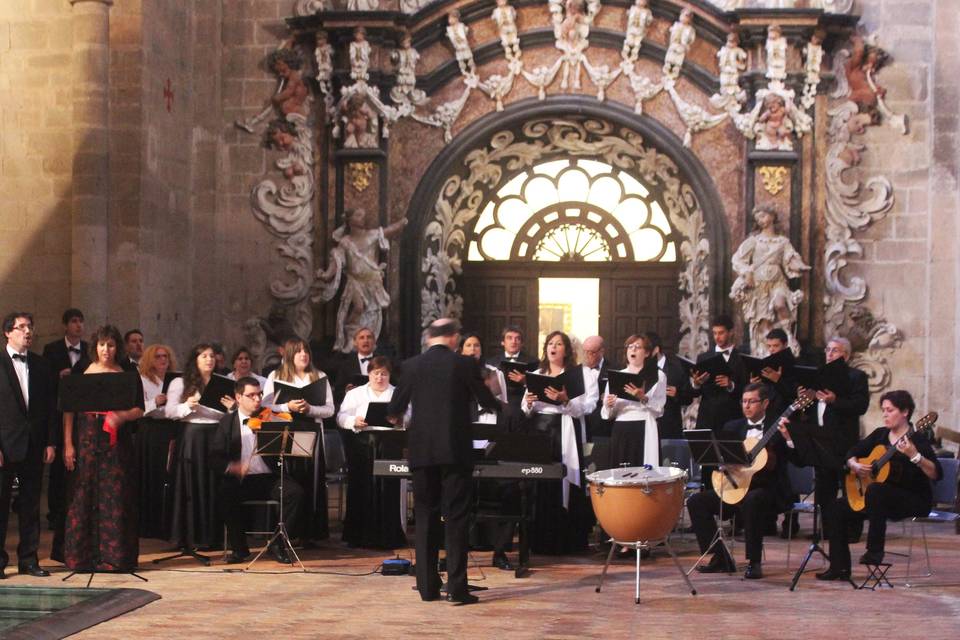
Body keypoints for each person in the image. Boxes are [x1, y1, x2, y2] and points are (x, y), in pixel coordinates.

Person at [387, 319, 498, 605]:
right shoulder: (463, 364)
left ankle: (427, 587)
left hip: (422, 452)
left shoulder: (411, 366)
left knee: (424, 516)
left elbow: (395, 409)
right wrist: (500, 404)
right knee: (457, 517)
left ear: (430, 338)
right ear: (453, 337)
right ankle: (457, 589)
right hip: (454, 452)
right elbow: (486, 399)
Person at [815, 390, 942, 581]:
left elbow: (936, 473)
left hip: (912, 499)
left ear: (905, 412)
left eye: (890, 410)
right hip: (879, 503)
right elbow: (852, 452)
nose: (885, 414)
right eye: (883, 410)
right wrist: (855, 464)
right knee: (836, 508)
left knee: (875, 490)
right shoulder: (880, 435)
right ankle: (839, 567)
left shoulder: (917, 439)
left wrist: (915, 456)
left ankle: (875, 551)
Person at [688, 383, 796, 579]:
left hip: (768, 490)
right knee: (696, 501)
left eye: (751, 401)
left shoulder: (778, 428)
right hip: (736, 486)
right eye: (744, 401)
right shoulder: (732, 427)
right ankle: (721, 558)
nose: (746, 406)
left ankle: (754, 562)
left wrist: (788, 438)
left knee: (753, 501)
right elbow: (719, 457)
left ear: (765, 403)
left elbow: (796, 458)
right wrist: (722, 464)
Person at [63, 325, 144, 572]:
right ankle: (82, 557)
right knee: (84, 492)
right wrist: (68, 444)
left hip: (116, 440)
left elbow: (139, 408)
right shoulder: (81, 369)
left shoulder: (128, 370)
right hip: (86, 438)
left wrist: (120, 417)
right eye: (101, 345)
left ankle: (114, 557)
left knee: (115, 493)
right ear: (94, 347)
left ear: (117, 347)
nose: (106, 350)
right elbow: (68, 408)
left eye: (110, 345)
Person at [210, 377, 304, 564]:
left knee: (296, 493)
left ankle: (277, 544)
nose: (257, 399)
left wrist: (279, 435)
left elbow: (289, 448)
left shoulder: (270, 417)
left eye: (259, 394)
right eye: (251, 395)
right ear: (238, 397)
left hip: (268, 478)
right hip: (241, 479)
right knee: (225, 493)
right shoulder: (226, 423)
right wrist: (233, 467)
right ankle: (240, 549)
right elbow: (214, 457)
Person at [521, 330, 596, 555]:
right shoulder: (537, 373)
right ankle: (542, 540)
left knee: (567, 479)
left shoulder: (579, 374)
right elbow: (525, 409)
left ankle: (570, 540)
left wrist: (565, 401)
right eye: (550, 343)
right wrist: (529, 402)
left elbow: (589, 405)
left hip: (566, 428)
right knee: (541, 482)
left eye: (559, 344)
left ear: (567, 350)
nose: (553, 347)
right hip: (541, 431)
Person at [0, 312, 57, 578]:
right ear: (7, 333)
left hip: (34, 444)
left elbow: (49, 408)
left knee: (31, 505)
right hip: (5, 445)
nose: (27, 331)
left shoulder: (42, 365)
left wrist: (49, 442)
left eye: (30, 327)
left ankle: (29, 559)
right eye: (21, 327)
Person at [264, 338, 334, 541]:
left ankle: (310, 533)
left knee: (312, 479)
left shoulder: (319, 376)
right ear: (289, 355)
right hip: (286, 430)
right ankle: (289, 531)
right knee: (292, 477)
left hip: (311, 429)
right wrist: (288, 407)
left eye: (306, 351)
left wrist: (310, 408)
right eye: (298, 351)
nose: (303, 355)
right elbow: (267, 406)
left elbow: (330, 409)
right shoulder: (276, 375)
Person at [800, 337, 869, 538]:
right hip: (821, 439)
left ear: (845, 355)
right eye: (828, 349)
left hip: (843, 440)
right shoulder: (817, 376)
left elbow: (860, 405)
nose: (830, 354)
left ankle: (852, 530)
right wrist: (805, 398)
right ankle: (827, 529)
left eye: (835, 350)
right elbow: (811, 409)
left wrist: (835, 400)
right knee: (824, 488)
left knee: (849, 486)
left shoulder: (856, 376)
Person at [336, 356, 407, 549]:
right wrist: (353, 421)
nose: (380, 378)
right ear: (369, 374)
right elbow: (341, 416)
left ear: (389, 375)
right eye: (376, 373)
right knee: (362, 487)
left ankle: (388, 535)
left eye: (384, 374)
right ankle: (359, 535)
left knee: (387, 489)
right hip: (362, 445)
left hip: (389, 444)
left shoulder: (397, 393)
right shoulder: (356, 394)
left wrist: (400, 420)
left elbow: (410, 416)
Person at [42, 307, 89, 558]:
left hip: (81, 414)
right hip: (58, 411)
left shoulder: (89, 350)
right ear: (65, 325)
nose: (78, 326)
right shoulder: (52, 349)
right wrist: (58, 376)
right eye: (74, 321)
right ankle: (54, 513)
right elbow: (43, 379)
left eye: (81, 321)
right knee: (58, 468)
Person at [601, 334, 666, 468]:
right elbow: (608, 413)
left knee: (644, 471)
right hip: (621, 427)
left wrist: (643, 397)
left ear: (647, 353)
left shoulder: (658, 375)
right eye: (630, 347)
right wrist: (608, 405)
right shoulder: (617, 376)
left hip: (645, 424)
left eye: (637, 347)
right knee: (621, 469)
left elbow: (660, 409)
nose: (633, 350)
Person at [691, 315, 746, 433]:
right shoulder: (703, 357)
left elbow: (747, 389)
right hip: (706, 417)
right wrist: (696, 384)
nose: (717, 337)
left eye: (721, 333)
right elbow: (694, 393)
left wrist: (731, 385)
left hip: (731, 417)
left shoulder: (742, 358)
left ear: (731, 332)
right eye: (714, 333)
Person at [646, 331, 693, 440]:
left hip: (669, 427)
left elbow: (688, 398)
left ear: (656, 350)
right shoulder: (640, 368)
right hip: (646, 425)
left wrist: (677, 394)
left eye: (646, 350)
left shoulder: (676, 368)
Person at [485, 325, 536, 409]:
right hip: (498, 405)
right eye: (509, 338)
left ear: (522, 343)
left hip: (522, 406)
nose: (514, 342)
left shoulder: (533, 362)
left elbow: (538, 388)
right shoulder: (491, 362)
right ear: (503, 342)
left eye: (517, 338)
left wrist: (526, 381)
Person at [333, 326, 378, 404]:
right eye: (361, 338)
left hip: (377, 403)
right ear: (355, 342)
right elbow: (337, 392)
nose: (366, 340)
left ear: (374, 341)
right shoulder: (346, 365)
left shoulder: (383, 362)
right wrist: (347, 391)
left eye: (369, 337)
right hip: (354, 406)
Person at [581, 335, 613, 441]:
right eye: (584, 351)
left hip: (602, 425)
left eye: (591, 352)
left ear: (601, 351)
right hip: (581, 421)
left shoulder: (614, 369)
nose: (586, 355)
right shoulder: (576, 369)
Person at [460, 332, 508, 403]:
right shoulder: (455, 372)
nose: (473, 349)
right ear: (461, 350)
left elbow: (503, 402)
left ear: (481, 350)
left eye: (476, 345)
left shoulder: (494, 373)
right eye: (468, 345)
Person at [140, 344, 177, 419]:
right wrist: (155, 402)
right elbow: (138, 407)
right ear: (149, 360)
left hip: (175, 420)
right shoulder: (142, 380)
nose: (163, 359)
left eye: (165, 356)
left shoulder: (176, 379)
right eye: (157, 356)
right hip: (151, 422)